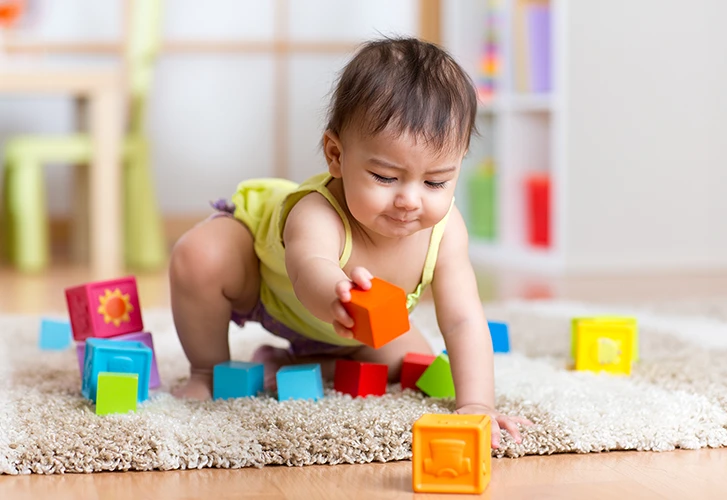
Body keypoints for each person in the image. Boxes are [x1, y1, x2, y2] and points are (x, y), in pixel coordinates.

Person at [169, 36, 531, 447]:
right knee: (199, 255)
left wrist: (477, 405)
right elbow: (309, 267)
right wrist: (336, 294)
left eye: (435, 181)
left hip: (343, 331)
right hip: (266, 284)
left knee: (411, 360)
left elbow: (464, 318)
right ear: (336, 155)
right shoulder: (318, 212)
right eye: (385, 177)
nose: (409, 200)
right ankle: (206, 371)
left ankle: (292, 363)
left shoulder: (446, 231)